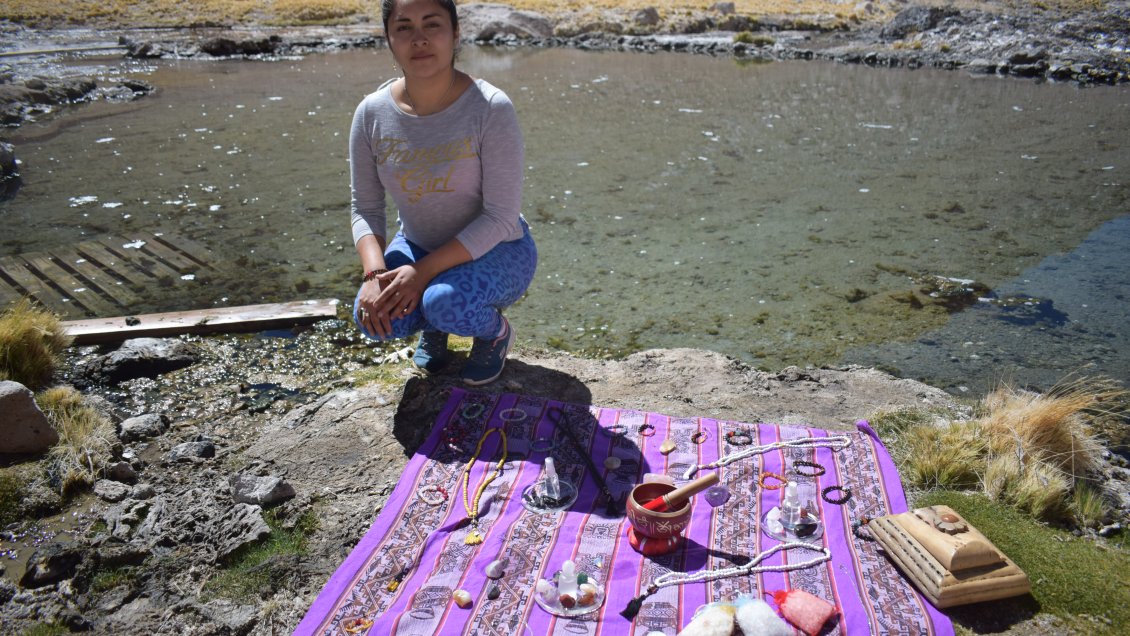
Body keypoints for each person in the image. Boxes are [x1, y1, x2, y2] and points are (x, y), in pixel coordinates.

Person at [350, 0, 537, 386]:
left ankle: (494, 334)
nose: (418, 39)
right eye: (404, 28)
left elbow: (501, 217)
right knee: (375, 319)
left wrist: (421, 274)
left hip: (499, 249)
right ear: (388, 39)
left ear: (455, 34)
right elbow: (366, 208)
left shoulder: (490, 108)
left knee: (445, 301)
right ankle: (434, 326)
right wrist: (374, 273)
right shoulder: (371, 113)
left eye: (432, 25)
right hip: (418, 245)